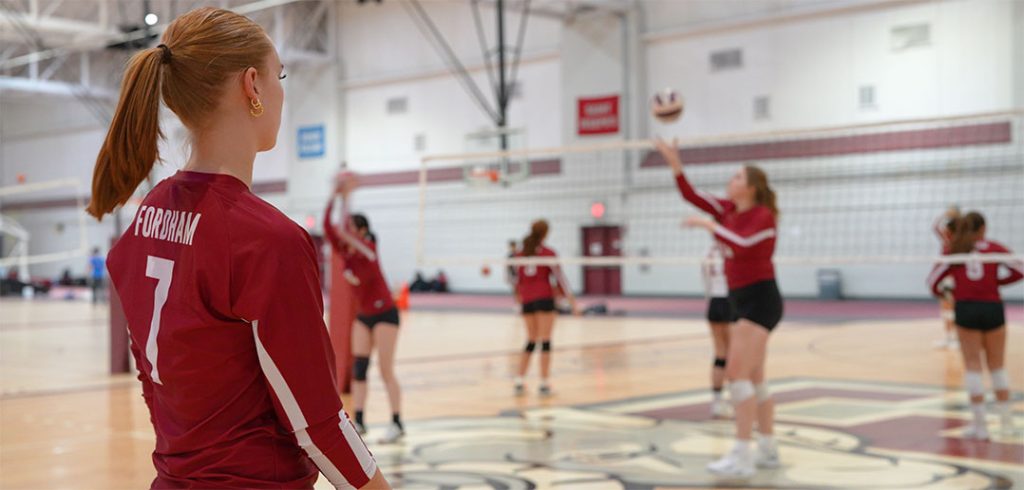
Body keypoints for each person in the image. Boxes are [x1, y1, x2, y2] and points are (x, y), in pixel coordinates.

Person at [87, 8, 388, 489]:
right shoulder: (268, 240)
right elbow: (319, 425)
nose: (282, 91)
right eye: (280, 75)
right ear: (252, 85)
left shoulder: (146, 218)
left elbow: (153, 382)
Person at [656, 137, 782, 478]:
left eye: (738, 177)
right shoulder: (727, 209)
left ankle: (742, 456)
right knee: (756, 380)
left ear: (753, 187)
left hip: (761, 300)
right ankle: (769, 449)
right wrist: (674, 163)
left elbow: (741, 244)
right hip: (742, 299)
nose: (731, 181)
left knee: (736, 374)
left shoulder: (762, 216)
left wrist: (711, 226)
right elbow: (692, 196)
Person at [324, 173, 405, 444]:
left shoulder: (369, 249)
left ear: (360, 231)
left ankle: (397, 422)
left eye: (350, 226)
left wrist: (347, 197)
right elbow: (328, 226)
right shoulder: (345, 252)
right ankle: (359, 420)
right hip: (365, 316)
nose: (344, 229)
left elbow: (343, 229)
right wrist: (334, 196)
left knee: (385, 369)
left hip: (386, 314)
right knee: (360, 368)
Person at [927, 211, 1022, 439]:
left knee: (972, 366)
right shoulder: (994, 247)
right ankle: (1007, 424)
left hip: (966, 309)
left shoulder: (955, 248)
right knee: (997, 366)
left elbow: (932, 283)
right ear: (983, 228)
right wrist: (997, 282)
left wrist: (949, 292)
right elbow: (1020, 270)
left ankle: (980, 428)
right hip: (992, 307)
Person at [513, 220, 578, 397]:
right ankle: (544, 383)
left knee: (531, 340)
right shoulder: (548, 253)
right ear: (545, 233)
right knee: (546, 340)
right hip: (543, 298)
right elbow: (560, 278)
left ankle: (519, 380)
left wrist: (519, 300)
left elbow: (517, 281)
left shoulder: (520, 254)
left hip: (527, 300)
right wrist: (572, 303)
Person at [703, 244, 735, 418]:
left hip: (714, 302)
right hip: (730, 300)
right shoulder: (731, 249)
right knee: (733, 354)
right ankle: (736, 399)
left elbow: (705, 281)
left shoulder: (709, 251)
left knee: (720, 354)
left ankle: (717, 402)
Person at [933, 206, 961, 349]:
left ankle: (956, 338)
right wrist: (944, 214)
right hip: (944, 276)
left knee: (953, 306)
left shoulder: (960, 239)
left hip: (954, 276)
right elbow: (935, 227)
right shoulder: (946, 237)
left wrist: (956, 215)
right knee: (945, 306)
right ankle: (948, 337)